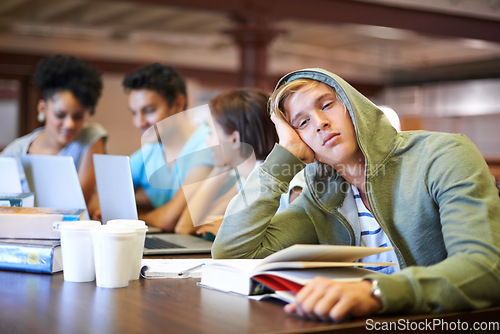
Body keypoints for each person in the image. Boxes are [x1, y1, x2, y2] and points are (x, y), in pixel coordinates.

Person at [212, 68, 500, 322]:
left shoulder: (443, 155)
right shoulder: (321, 197)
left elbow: (484, 270)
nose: (320, 123)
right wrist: (282, 159)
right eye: (302, 123)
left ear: (353, 106)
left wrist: (374, 292)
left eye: (327, 105)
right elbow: (234, 252)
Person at [175, 88, 305, 239]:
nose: (208, 143)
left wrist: (233, 230)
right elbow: (185, 227)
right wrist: (220, 167)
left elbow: (299, 241)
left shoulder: (293, 185)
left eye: (211, 133)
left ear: (235, 139)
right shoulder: (245, 179)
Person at [0, 54, 106, 209]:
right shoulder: (14, 152)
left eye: (78, 116)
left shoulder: (90, 139)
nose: (69, 124)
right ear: (42, 108)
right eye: (60, 115)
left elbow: (76, 206)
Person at [122, 63, 213, 231]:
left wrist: (130, 221)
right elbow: (104, 196)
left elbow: (169, 218)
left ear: (178, 103)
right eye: (134, 113)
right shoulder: (150, 151)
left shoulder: (207, 145)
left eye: (149, 110)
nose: (139, 122)